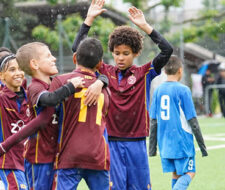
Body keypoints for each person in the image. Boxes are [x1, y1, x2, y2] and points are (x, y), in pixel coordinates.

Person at [71, 1, 173, 189]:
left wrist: (145, 26)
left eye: (126, 53)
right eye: (117, 53)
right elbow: (78, 49)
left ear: (135, 53)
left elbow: (167, 50)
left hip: (137, 142)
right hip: (110, 142)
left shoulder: (145, 73)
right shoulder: (104, 70)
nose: (120, 58)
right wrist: (89, 19)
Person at [0, 37, 111, 190]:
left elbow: (87, 65)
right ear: (35, 64)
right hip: (39, 157)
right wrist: (4, 146)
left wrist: (101, 80)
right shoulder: (36, 88)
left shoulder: (56, 83)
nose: (54, 58)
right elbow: (43, 118)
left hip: (57, 155)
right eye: (48, 56)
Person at [149, 55, 208, 190]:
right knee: (190, 172)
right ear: (180, 71)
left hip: (165, 143)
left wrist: (152, 148)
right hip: (182, 142)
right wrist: (202, 146)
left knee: (176, 174)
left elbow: (153, 121)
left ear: (164, 71)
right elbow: (192, 121)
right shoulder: (183, 90)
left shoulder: (158, 91)